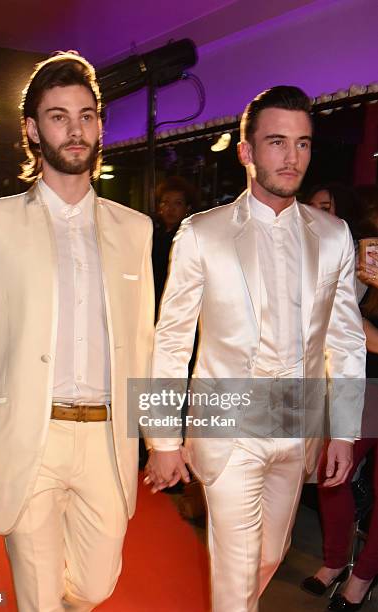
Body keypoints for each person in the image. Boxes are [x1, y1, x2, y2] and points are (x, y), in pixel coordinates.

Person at [144, 85, 366, 612]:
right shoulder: (202, 233)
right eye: (276, 142)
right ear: (246, 152)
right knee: (237, 571)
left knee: (272, 554)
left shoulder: (334, 235)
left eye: (303, 144)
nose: (292, 158)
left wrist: (346, 430)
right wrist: (161, 438)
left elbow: (346, 338)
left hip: (297, 424)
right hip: (228, 426)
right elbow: (171, 338)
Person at [0, 51, 154, 612]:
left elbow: (144, 344)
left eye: (86, 115)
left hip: (107, 441)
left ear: (99, 127)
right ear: (33, 130)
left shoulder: (134, 230)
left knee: (94, 586)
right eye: (59, 116)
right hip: (26, 437)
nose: (75, 128)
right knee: (39, 596)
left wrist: (162, 439)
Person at [302, 185, 378, 611]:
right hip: (365, 382)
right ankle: (334, 561)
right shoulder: (359, 242)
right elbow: (341, 320)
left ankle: (363, 575)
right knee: (333, 473)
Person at [152, 176, 198, 316]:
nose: (170, 209)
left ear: (187, 208)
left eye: (177, 203)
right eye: (165, 203)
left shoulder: (190, 236)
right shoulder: (153, 233)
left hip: (178, 305)